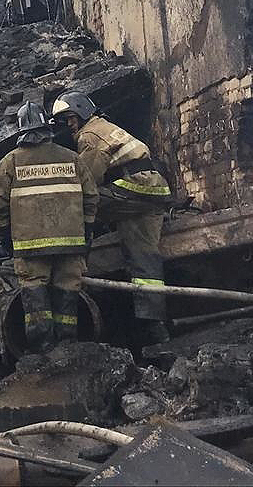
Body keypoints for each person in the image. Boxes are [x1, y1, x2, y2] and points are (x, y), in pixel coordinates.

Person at [51, 91, 176, 346]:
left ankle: (72, 264)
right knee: (144, 258)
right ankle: (154, 327)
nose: (69, 125)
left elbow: (86, 181)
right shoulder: (105, 127)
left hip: (134, 188)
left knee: (79, 204)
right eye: (66, 121)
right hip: (154, 191)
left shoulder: (90, 135)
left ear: (82, 111)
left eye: (71, 118)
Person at [0, 101, 97, 350]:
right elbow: (91, 197)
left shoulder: (10, 163)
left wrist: (3, 235)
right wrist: (87, 229)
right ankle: (69, 347)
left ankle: (43, 350)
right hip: (70, 245)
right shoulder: (72, 159)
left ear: (21, 131)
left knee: (35, 294)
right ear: (47, 128)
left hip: (30, 248)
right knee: (67, 293)